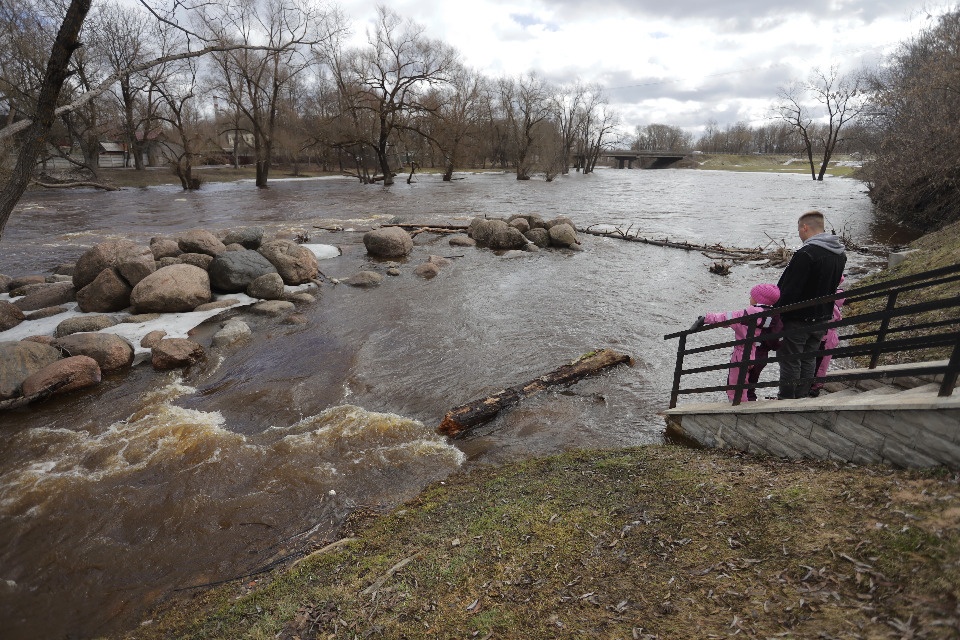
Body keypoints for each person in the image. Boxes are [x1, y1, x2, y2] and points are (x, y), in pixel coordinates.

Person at [774, 211, 847, 399]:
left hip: (799, 317)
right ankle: (803, 395)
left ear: (805, 227)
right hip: (823, 316)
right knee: (809, 357)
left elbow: (790, 289)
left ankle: (787, 398)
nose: (799, 234)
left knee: (790, 359)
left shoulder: (806, 253)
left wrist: (776, 311)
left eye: (799, 229)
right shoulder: (839, 255)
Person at [692, 283, 782, 402]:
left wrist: (705, 319)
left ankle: (739, 411)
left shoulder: (750, 313)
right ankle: (751, 403)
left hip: (744, 354)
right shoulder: (775, 315)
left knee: (735, 387)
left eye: (751, 296)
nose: (750, 298)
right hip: (761, 355)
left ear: (757, 299)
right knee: (750, 385)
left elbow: (728, 317)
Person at [809, 276, 846, 397]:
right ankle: (813, 384)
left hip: (826, 337)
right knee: (820, 362)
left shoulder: (829, 297)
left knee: (820, 363)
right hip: (828, 336)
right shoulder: (838, 295)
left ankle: (815, 386)